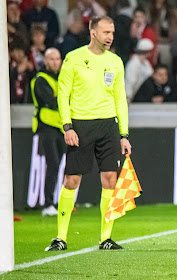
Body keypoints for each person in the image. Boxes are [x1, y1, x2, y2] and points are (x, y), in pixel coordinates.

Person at [45, 16, 131, 251]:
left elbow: (120, 99)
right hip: (80, 126)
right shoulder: (74, 58)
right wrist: (67, 126)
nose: (110, 37)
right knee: (72, 180)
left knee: (110, 180)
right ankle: (60, 237)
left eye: (112, 33)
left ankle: (106, 238)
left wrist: (124, 133)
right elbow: (63, 94)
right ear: (93, 33)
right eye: (105, 32)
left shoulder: (115, 62)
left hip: (108, 126)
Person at [31, 48, 65, 216]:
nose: (55, 62)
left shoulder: (62, 78)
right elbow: (50, 101)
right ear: (45, 61)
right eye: (51, 59)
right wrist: (66, 100)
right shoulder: (41, 79)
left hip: (60, 127)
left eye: (57, 59)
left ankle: (57, 201)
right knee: (52, 163)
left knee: (58, 164)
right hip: (46, 126)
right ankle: (48, 204)